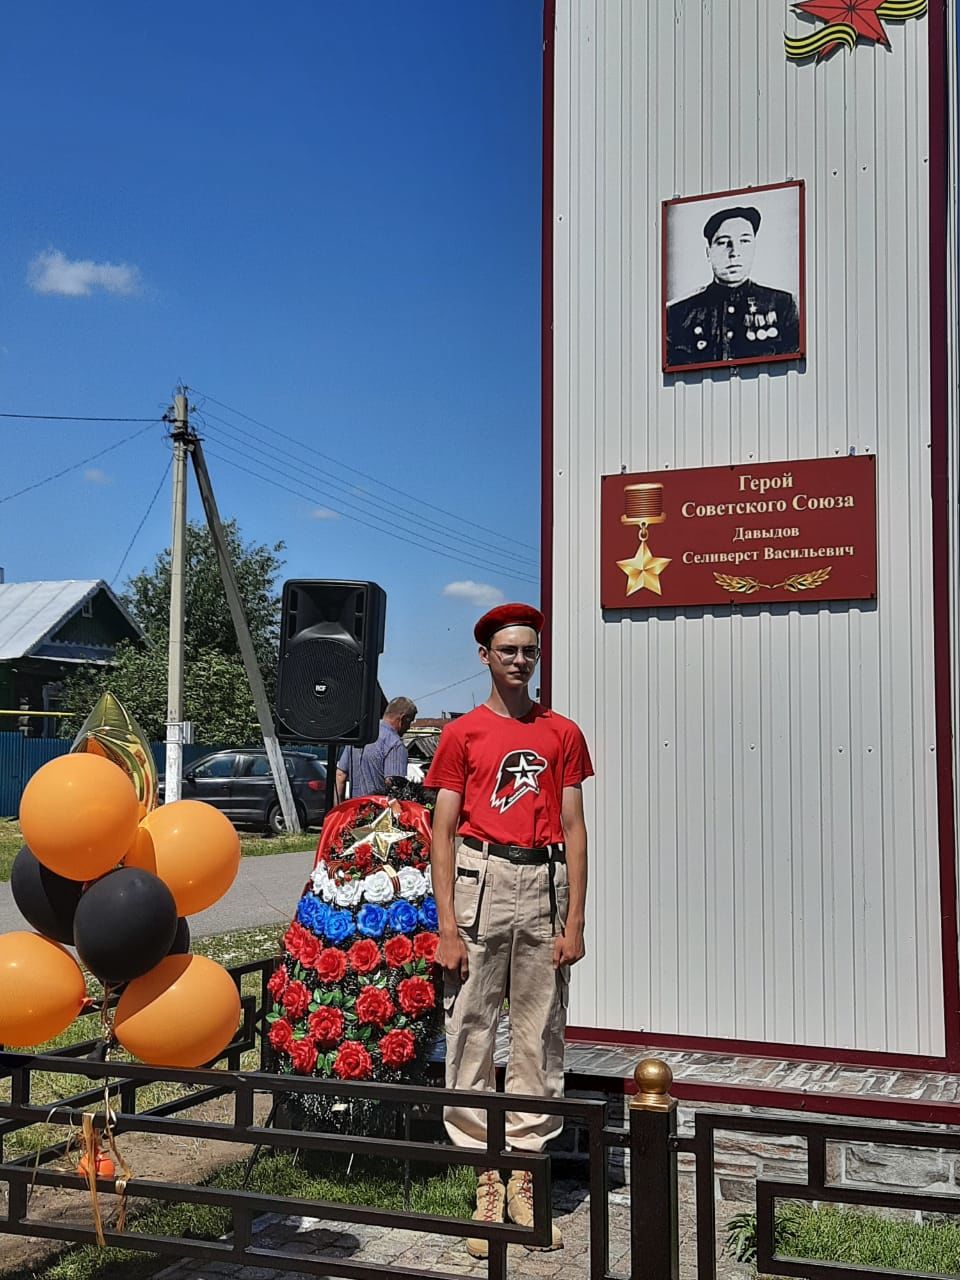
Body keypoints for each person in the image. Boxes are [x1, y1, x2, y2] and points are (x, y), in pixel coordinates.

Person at [425, 603, 593, 1259]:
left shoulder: (562, 733)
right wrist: (446, 925)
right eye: (508, 651)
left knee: (536, 1033)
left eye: (529, 650)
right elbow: (441, 831)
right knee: (469, 1029)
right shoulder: (462, 734)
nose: (520, 660)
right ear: (485, 657)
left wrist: (574, 919)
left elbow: (575, 828)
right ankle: (485, 1184)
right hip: (480, 885)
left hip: (542, 886)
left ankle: (526, 1179)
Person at [666, 204, 800, 366]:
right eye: (723, 242)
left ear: (754, 247)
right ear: (708, 252)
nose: (734, 252)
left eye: (744, 241)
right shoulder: (676, 314)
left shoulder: (783, 305)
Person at [335, 696, 417, 801]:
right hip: (378, 814)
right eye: (410, 722)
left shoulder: (360, 736)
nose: (409, 728)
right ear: (403, 718)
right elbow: (394, 787)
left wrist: (339, 812)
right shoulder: (395, 744)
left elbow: (340, 775)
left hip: (353, 811)